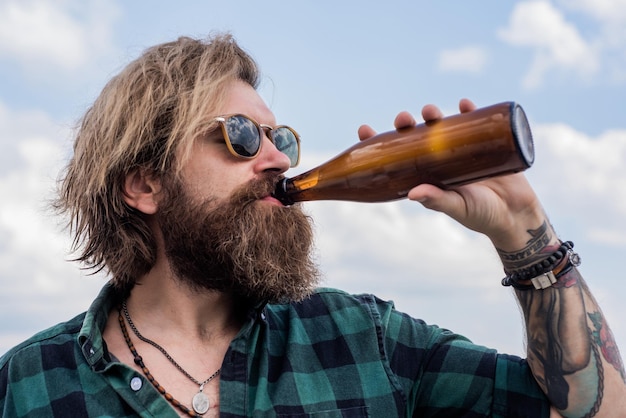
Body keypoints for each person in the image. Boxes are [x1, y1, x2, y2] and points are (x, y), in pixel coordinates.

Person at [0, 34, 624, 418]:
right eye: (239, 136)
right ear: (145, 185)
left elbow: (596, 410)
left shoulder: (364, 339)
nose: (275, 158)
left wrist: (523, 234)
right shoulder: (30, 383)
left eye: (282, 139)